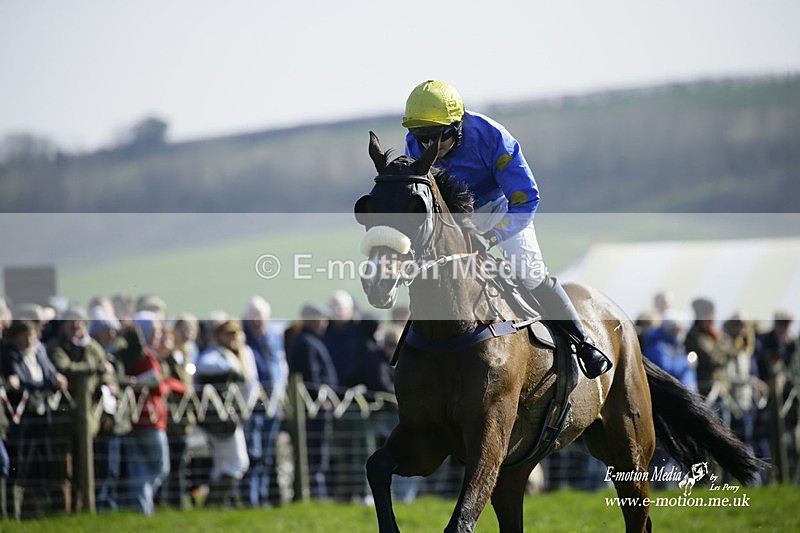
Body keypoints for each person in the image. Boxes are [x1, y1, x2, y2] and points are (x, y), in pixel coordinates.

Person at [401, 79, 610, 378]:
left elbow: (526, 200)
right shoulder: (415, 143)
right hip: (455, 215)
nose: (428, 147)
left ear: (456, 127)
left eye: (436, 138)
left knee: (528, 271)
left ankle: (585, 343)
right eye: (421, 137)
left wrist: (492, 235)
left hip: (500, 209)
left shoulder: (494, 138)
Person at [117, 312, 186, 515]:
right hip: (149, 420)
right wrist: (168, 384)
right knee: (159, 469)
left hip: (139, 419)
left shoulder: (138, 354)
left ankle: (141, 509)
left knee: (140, 470)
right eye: (154, 331)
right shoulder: (145, 356)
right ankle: (142, 508)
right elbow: (157, 384)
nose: (158, 335)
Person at [2, 320, 68, 519]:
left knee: (43, 458)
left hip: (42, 412)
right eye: (25, 335)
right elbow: (21, 381)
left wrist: (48, 382)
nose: (30, 340)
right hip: (21, 415)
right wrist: (43, 383)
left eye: (32, 335)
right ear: (15, 336)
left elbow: (49, 376)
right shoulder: (9, 354)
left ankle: (39, 509)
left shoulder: (40, 352)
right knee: (19, 460)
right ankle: (15, 511)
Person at [195, 319, 255, 507]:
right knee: (239, 462)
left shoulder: (245, 354)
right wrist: (232, 366)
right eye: (228, 333)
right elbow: (203, 366)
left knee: (223, 464)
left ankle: (218, 505)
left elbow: (252, 383)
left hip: (237, 415)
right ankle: (214, 501)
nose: (233, 338)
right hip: (220, 418)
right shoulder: (215, 355)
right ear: (219, 336)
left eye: (236, 333)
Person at [287, 303, 338, 500]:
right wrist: (320, 399)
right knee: (315, 457)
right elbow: (311, 376)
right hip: (314, 411)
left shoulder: (309, 340)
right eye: (321, 317)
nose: (325, 322)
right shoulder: (307, 342)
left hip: (316, 410)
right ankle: (317, 496)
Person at [241, 296, 287, 507]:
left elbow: (281, 366)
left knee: (268, 455)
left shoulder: (273, 338)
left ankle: (262, 498)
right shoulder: (243, 340)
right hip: (253, 404)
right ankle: (250, 499)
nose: (258, 321)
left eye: (261, 317)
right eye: (254, 317)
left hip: (273, 403)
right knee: (254, 454)